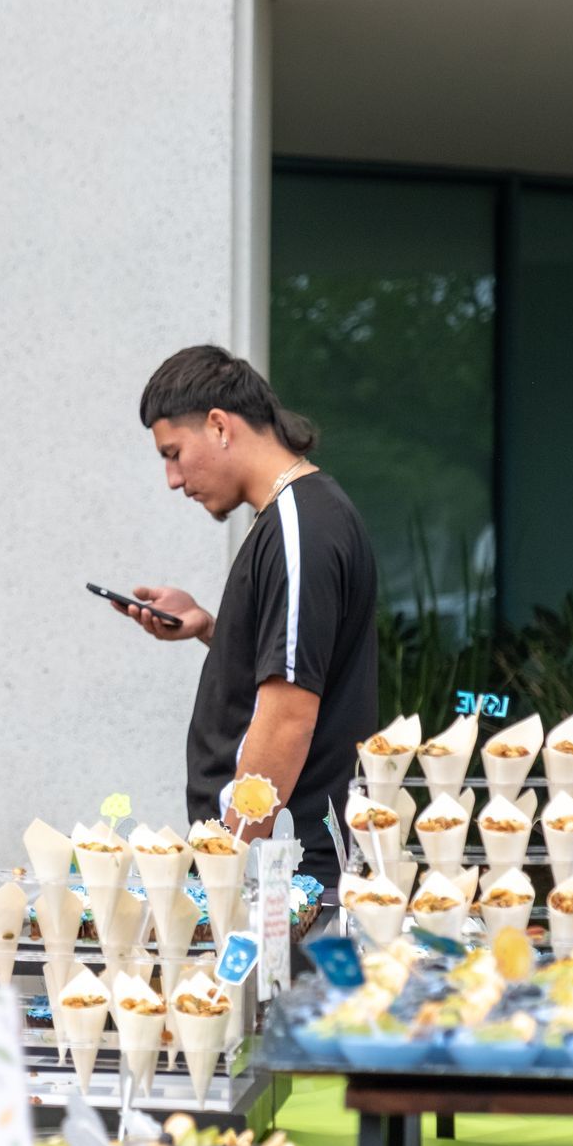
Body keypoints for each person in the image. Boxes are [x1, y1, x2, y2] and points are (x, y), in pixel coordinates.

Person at [109, 344, 377, 881]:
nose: (173, 479)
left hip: (284, 879)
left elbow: (288, 720)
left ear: (219, 425)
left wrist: (225, 869)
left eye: (173, 453)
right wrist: (211, 628)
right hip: (275, 869)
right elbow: (298, 666)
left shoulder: (303, 525)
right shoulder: (293, 517)